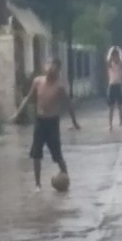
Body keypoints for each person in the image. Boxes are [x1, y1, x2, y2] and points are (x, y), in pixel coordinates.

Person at [12, 59, 80, 191]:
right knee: (36, 153)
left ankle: (66, 179)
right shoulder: (38, 81)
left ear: (58, 71)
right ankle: (37, 184)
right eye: (48, 65)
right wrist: (18, 113)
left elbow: (69, 105)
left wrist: (75, 122)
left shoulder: (59, 87)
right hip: (40, 121)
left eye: (53, 67)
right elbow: (28, 98)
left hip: (52, 122)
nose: (50, 68)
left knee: (57, 154)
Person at [106, 46, 122, 131]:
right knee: (111, 107)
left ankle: (121, 123)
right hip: (112, 85)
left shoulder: (120, 65)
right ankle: (110, 125)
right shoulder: (110, 65)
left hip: (118, 85)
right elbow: (107, 59)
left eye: (116, 55)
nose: (115, 57)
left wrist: (119, 50)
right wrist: (111, 49)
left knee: (120, 106)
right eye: (113, 56)